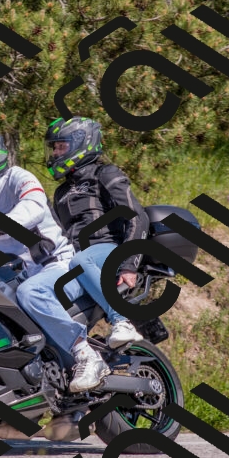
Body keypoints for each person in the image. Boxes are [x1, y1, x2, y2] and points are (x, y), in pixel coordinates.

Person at [0, 131, 112, 393]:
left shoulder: (17, 177)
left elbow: (33, 207)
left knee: (30, 292)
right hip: (17, 274)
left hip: (57, 265)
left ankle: (86, 355)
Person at [46, 116, 150, 348]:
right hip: (75, 260)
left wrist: (129, 265)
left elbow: (137, 217)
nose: (55, 153)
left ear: (81, 143)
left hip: (107, 250)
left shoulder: (104, 173)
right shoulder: (61, 192)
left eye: (61, 146)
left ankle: (121, 320)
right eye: (54, 148)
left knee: (82, 260)